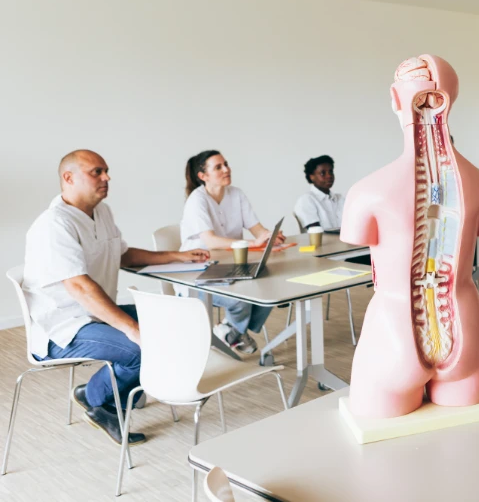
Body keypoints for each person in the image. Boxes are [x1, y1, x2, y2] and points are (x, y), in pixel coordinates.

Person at [22, 150, 209, 445]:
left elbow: (123, 254)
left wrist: (177, 255)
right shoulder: (54, 225)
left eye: (106, 171)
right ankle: (100, 402)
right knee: (143, 349)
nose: (106, 177)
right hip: (62, 327)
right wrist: (132, 329)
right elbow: (81, 287)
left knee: (173, 321)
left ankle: (103, 391)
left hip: (95, 315)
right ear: (68, 178)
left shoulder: (101, 212)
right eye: (96, 172)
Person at [180, 150, 283, 354]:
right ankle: (234, 332)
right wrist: (254, 243)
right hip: (195, 275)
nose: (226, 169)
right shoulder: (196, 200)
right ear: (203, 176)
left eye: (226, 164)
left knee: (271, 287)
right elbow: (210, 241)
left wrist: (270, 236)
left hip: (230, 268)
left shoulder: (237, 194)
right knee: (240, 298)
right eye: (218, 167)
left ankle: (231, 331)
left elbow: (257, 229)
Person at [294, 155, 344, 231]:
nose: (329, 176)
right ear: (312, 177)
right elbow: (314, 230)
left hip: (345, 240)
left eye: (331, 171)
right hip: (323, 242)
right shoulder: (307, 200)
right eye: (322, 173)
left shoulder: (340, 198)